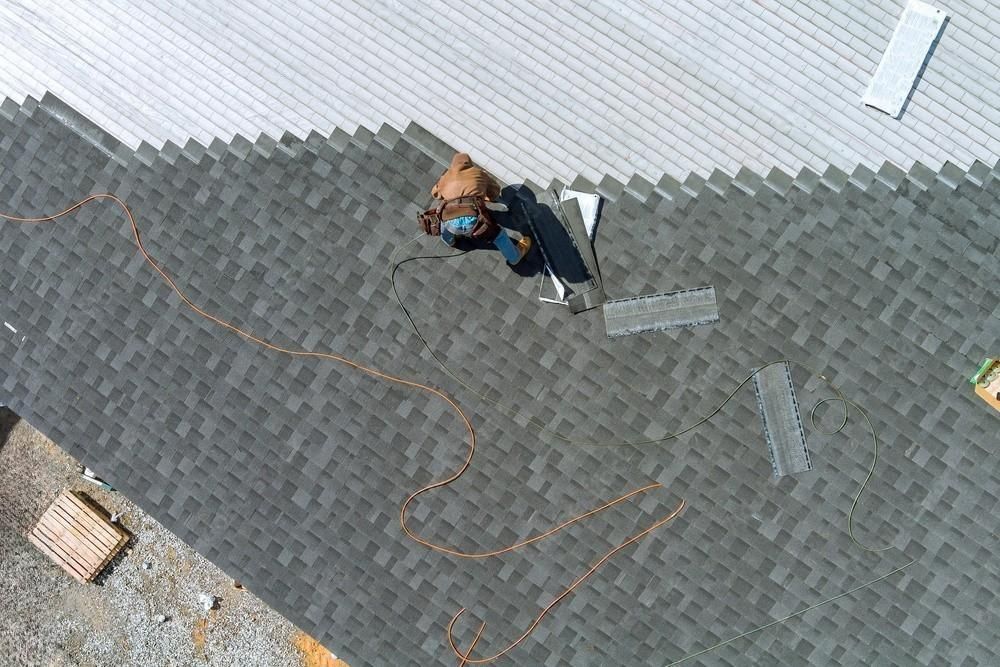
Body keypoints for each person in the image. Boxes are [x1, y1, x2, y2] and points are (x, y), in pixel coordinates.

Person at [430, 153, 531, 265]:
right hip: (473, 220)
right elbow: (495, 193)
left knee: (443, 224)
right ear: (469, 163)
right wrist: (483, 194)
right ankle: (514, 257)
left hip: (450, 222)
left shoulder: (444, 178)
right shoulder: (479, 173)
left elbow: (435, 194)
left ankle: (450, 241)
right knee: (498, 235)